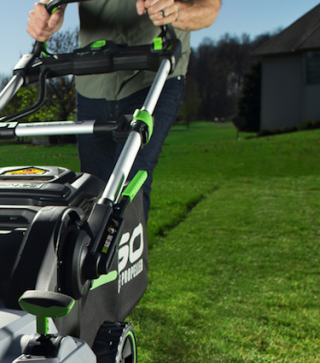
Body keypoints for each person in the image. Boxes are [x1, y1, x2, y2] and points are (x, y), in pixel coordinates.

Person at [27, 0, 220, 216]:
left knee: (127, 187)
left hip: (153, 73)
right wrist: (50, 10)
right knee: (92, 191)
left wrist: (177, 11)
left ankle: (127, 246)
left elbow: (209, 8)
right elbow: (50, 2)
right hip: (93, 79)